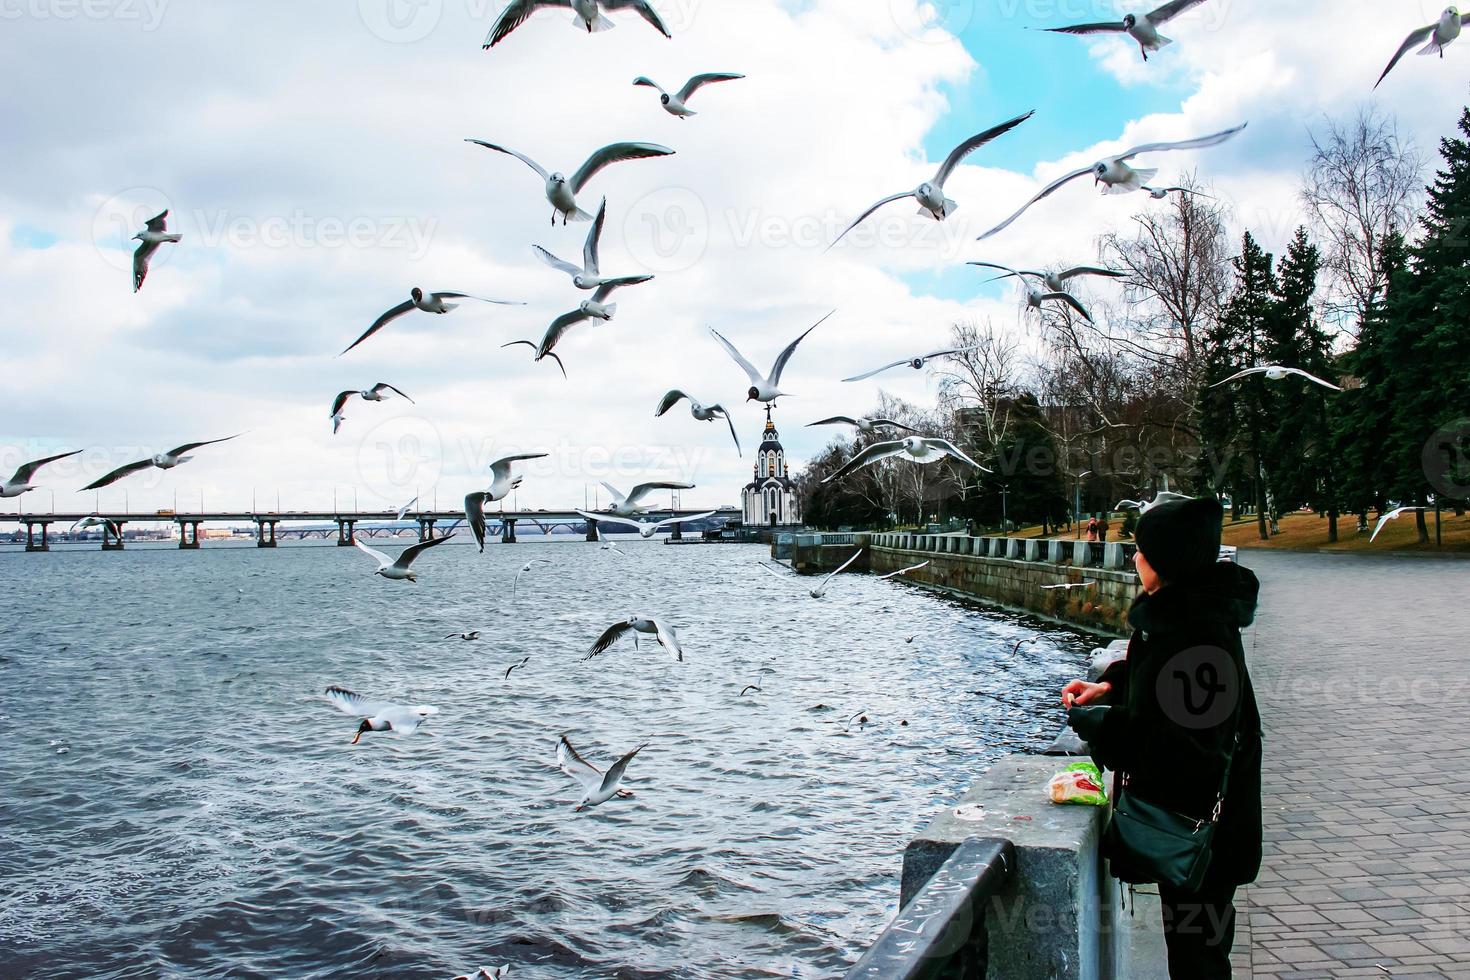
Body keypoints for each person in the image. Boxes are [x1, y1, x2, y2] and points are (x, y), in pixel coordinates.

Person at [1060, 497, 1262, 979]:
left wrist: (1102, 726)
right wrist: (1111, 685)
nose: (1134, 558)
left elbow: (1184, 749)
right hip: (1200, 823)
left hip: (1207, 835)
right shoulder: (1188, 613)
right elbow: (1169, 688)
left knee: (1199, 961)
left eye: (1141, 550)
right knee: (1194, 954)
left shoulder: (1200, 633)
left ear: (1168, 558)